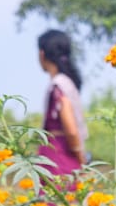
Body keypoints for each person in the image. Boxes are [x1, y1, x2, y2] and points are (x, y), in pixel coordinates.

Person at [36, 29, 89, 176]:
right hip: (62, 154)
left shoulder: (58, 86)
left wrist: (81, 159)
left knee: (57, 197)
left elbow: (71, 131)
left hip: (59, 155)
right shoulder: (67, 83)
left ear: (42, 54)